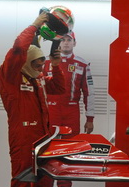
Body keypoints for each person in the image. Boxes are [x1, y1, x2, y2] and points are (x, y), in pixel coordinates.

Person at [0, 13, 65, 187]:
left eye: (42, 65)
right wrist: (34, 26)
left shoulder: (38, 78)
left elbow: (59, 88)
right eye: (37, 65)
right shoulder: (10, 77)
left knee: (45, 180)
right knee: (24, 181)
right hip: (23, 140)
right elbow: (19, 49)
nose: (41, 68)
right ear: (26, 62)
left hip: (43, 137)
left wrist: (56, 66)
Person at [43, 31, 95, 187]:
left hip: (71, 112)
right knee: (47, 151)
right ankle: (45, 183)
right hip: (50, 111)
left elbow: (89, 92)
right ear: (58, 43)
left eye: (69, 40)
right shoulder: (46, 63)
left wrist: (90, 118)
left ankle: (65, 184)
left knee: (68, 152)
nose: (66, 43)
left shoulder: (82, 64)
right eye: (63, 40)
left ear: (74, 43)